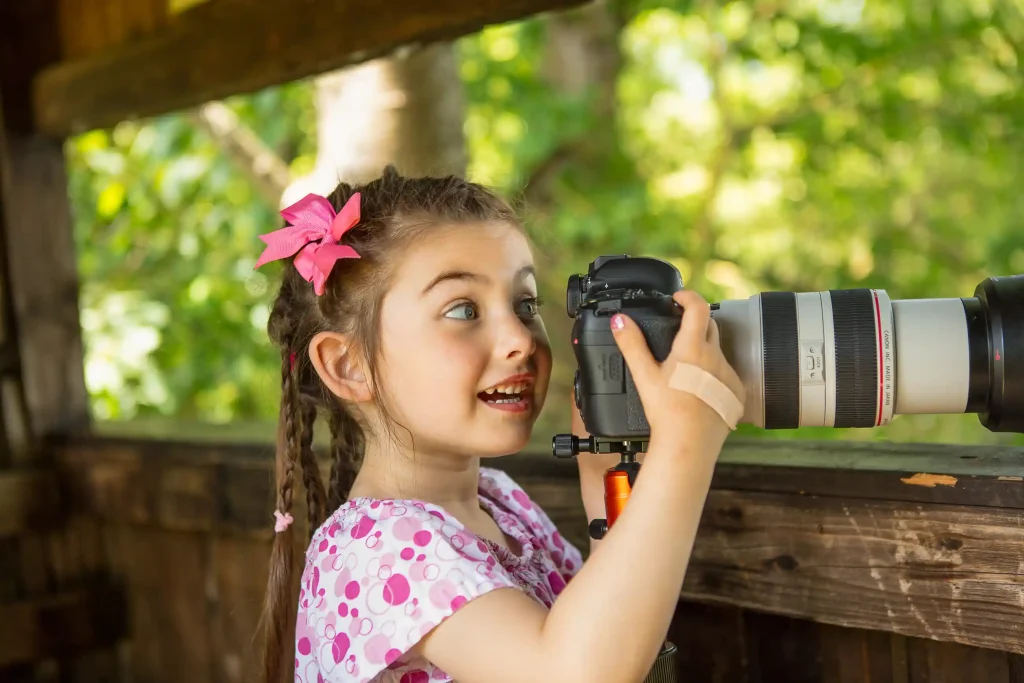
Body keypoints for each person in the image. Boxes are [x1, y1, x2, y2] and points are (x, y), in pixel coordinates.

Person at [255, 166, 745, 683]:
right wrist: (684, 447)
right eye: (464, 309)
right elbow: (572, 674)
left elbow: (612, 638)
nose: (519, 338)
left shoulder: (503, 504)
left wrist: (607, 477)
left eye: (524, 304)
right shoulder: (373, 547)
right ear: (348, 366)